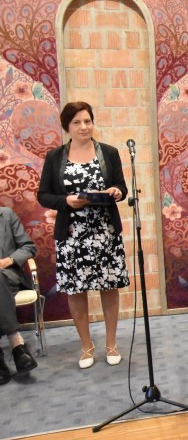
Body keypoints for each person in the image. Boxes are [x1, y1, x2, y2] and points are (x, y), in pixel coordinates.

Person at [38, 102, 129, 369]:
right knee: (76, 291)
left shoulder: (109, 153)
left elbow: (121, 187)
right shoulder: (55, 157)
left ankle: (111, 344)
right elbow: (43, 195)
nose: (84, 127)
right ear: (67, 126)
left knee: (109, 287)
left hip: (105, 232)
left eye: (87, 121)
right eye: (77, 122)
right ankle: (86, 347)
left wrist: (117, 192)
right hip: (72, 234)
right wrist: (66, 201)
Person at [0, 207, 39, 384]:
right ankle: (17, 346)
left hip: (7, 276)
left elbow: (29, 247)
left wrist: (8, 260)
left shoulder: (6, 215)